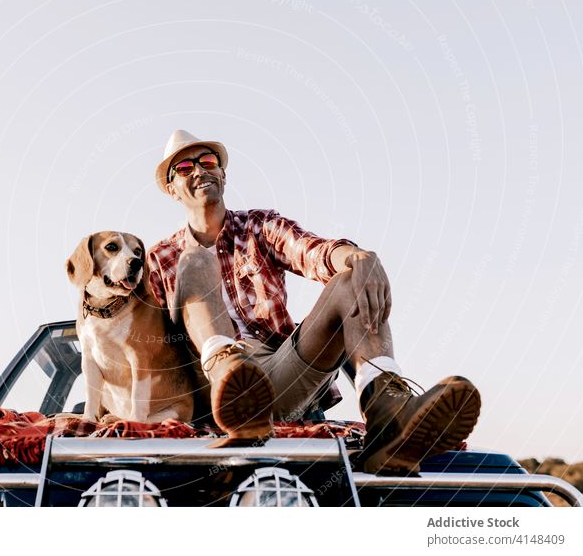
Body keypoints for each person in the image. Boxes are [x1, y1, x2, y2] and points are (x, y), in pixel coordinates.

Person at [146, 129, 481, 474]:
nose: (199, 171)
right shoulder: (158, 260)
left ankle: (389, 414)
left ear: (223, 174)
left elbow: (310, 251)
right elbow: (145, 347)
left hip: (278, 376)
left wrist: (357, 257)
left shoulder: (259, 226)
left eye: (208, 161)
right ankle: (231, 381)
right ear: (172, 190)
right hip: (208, 390)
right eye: (185, 167)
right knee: (195, 260)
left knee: (352, 277)